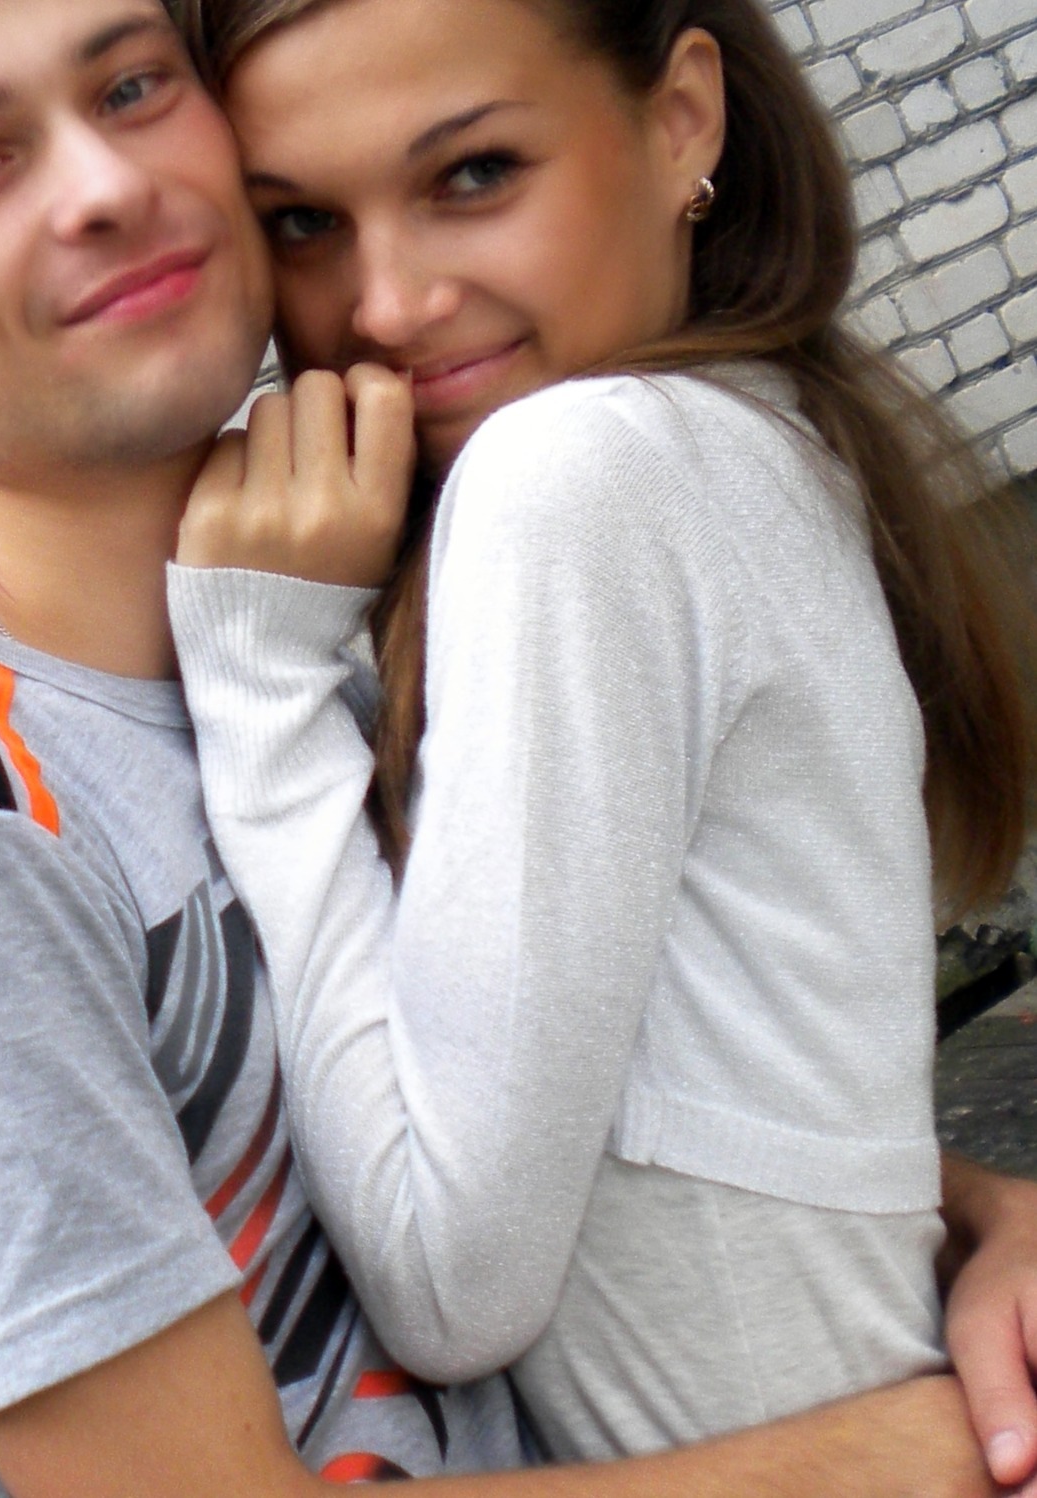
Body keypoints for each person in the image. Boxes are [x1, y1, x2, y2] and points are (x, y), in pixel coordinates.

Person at [0, 0, 1011, 1495]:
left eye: (133, 85)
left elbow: (557, 1102)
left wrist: (973, 1217)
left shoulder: (287, 637)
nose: (101, 185)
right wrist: (920, 1446)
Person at [168, 0, 1037, 1485]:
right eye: (303, 219)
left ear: (683, 117)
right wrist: (977, 1201)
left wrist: (258, 685)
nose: (388, 304)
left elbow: (451, 1282)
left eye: (473, 174)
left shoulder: (577, 473)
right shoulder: (747, 431)